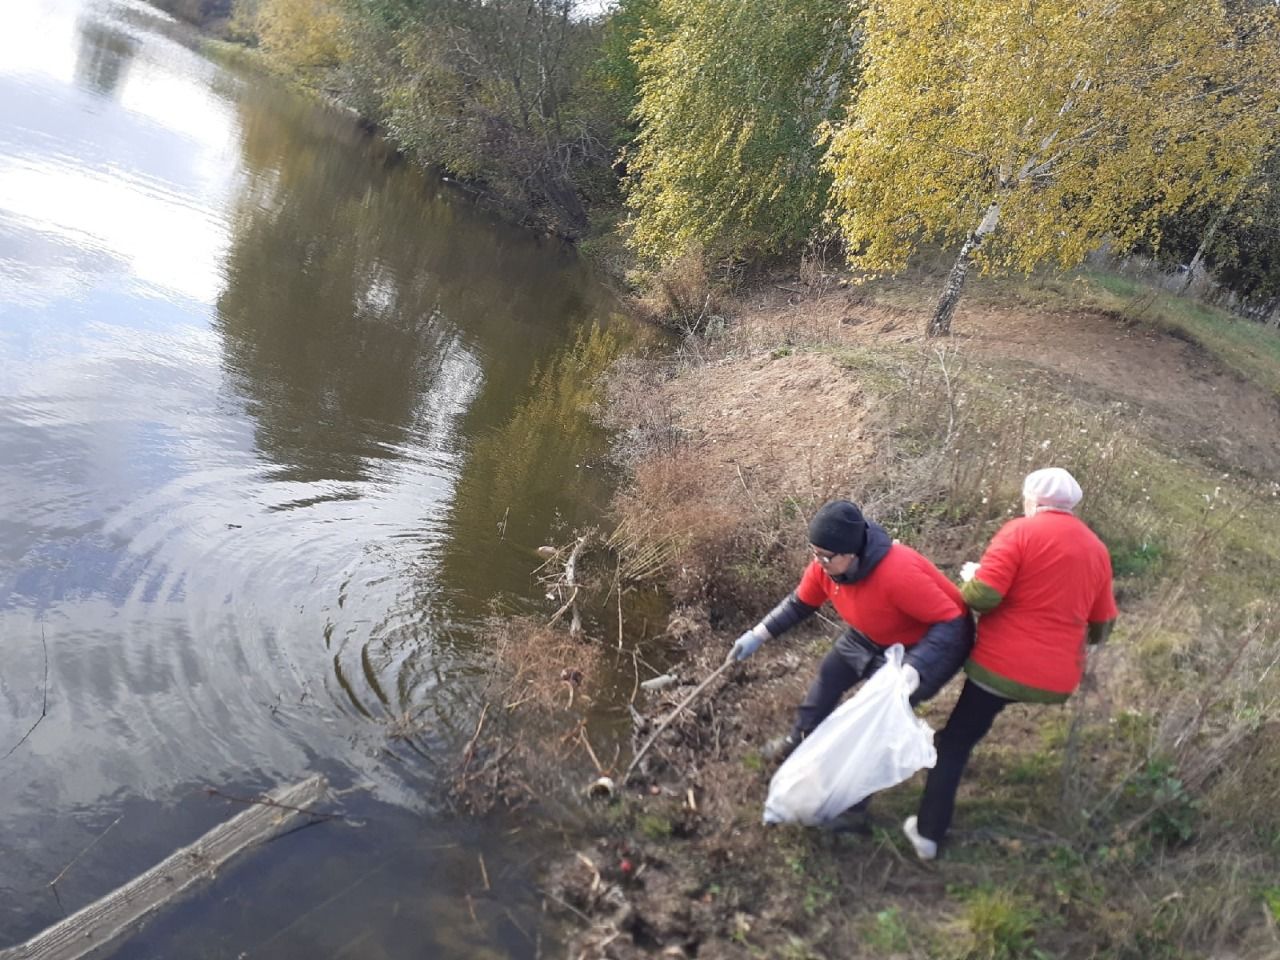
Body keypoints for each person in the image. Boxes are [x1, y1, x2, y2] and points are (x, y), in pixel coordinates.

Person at [902, 467, 1117, 861]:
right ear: (1071, 506)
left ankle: (928, 834)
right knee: (974, 724)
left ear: (1033, 500)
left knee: (953, 743)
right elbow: (1103, 626)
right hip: (1055, 679)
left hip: (1002, 669)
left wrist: (971, 579)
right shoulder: (1097, 550)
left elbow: (983, 596)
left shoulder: (1020, 531)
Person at [730, 499, 974, 765]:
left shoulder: (897, 572)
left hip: (931, 645)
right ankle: (797, 741)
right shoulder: (825, 568)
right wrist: (758, 634)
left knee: (877, 715)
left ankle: (855, 794)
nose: (819, 562)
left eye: (826, 556)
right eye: (814, 553)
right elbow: (799, 604)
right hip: (871, 635)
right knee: (830, 675)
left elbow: (952, 622)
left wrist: (915, 666)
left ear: (851, 553)